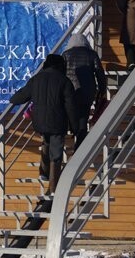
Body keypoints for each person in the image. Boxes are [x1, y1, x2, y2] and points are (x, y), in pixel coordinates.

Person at [10, 54, 77, 195]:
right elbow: (71, 106)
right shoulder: (64, 81)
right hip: (58, 121)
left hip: (39, 121)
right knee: (56, 154)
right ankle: (53, 188)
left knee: (46, 141)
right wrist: (74, 126)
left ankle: (43, 173)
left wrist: (13, 98)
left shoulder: (36, 79)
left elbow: (20, 96)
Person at [62, 34, 107, 150]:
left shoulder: (66, 55)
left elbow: (61, 75)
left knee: (70, 114)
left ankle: (72, 130)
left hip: (70, 92)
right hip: (87, 92)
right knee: (83, 118)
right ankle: (79, 146)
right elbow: (99, 74)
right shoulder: (92, 54)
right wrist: (102, 91)